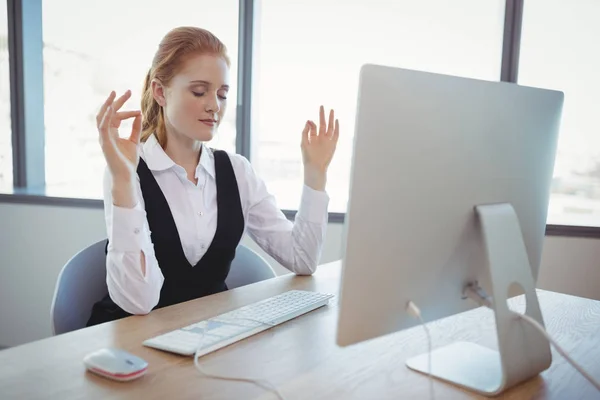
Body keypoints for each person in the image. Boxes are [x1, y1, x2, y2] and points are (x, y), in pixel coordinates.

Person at [86, 26, 339, 326]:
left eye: (222, 94)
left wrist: (316, 174)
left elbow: (302, 259)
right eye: (199, 91)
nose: (213, 106)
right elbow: (139, 302)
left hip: (208, 337)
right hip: (134, 341)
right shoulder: (127, 168)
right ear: (159, 91)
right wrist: (123, 181)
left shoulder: (237, 171)